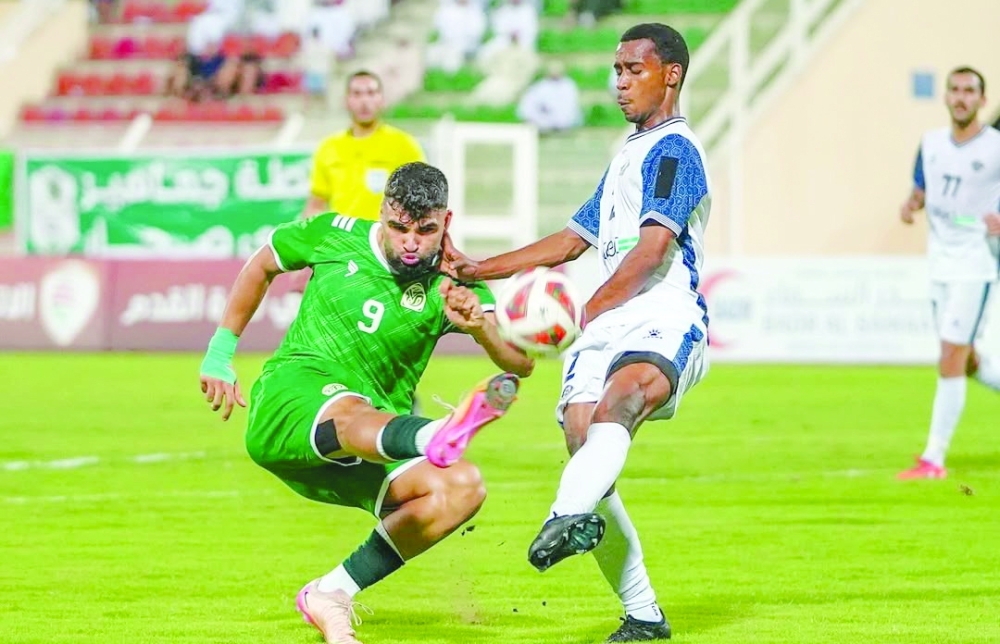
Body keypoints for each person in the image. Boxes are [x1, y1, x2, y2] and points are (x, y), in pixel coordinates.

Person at [445, 23, 708, 642]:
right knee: (583, 437)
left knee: (624, 401)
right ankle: (643, 615)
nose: (620, 83)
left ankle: (564, 516)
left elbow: (652, 249)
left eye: (633, 71)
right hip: (608, 318)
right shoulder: (626, 154)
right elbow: (570, 242)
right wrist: (478, 267)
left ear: (670, 74)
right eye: (616, 71)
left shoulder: (677, 152)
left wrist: (589, 307)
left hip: (661, 311)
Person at [198, 162, 533, 644]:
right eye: (399, 228)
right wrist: (220, 353)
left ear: (446, 222)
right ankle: (431, 435)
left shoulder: (452, 286)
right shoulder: (332, 234)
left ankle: (330, 592)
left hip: (364, 448)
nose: (411, 242)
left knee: (462, 487)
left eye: (425, 230)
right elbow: (263, 263)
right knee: (353, 409)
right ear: (381, 215)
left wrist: (479, 326)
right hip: (291, 400)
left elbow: (518, 364)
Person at [897, 66, 1000, 480]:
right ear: (945, 97)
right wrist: (911, 204)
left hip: (976, 262)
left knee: (951, 354)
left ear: (982, 100)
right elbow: (922, 188)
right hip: (939, 261)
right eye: (954, 90)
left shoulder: (995, 147)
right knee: (967, 359)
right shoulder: (931, 144)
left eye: (969, 91)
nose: (961, 97)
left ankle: (933, 459)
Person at [303, 70, 425, 222]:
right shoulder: (328, 148)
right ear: (346, 100)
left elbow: (421, 203)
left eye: (371, 93)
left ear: (382, 99)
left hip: (384, 241)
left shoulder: (405, 146)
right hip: (342, 242)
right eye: (357, 94)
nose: (364, 101)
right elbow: (316, 204)